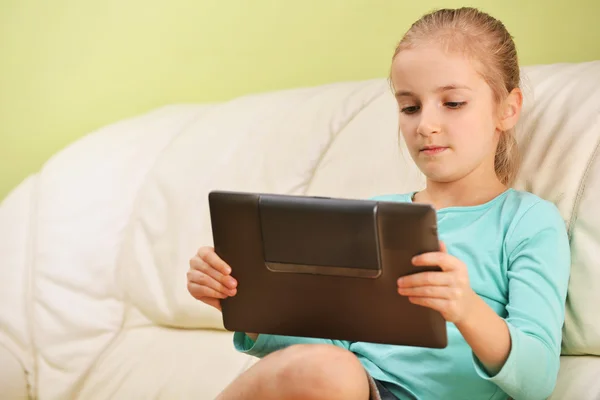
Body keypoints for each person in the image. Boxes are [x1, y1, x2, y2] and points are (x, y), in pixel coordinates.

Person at [187, 7, 571, 400]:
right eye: (410, 107)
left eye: (453, 103)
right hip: (352, 386)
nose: (425, 125)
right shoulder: (377, 214)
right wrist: (245, 305)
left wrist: (466, 309)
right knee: (328, 368)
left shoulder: (528, 222)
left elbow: (537, 379)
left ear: (507, 108)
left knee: (331, 371)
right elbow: (333, 346)